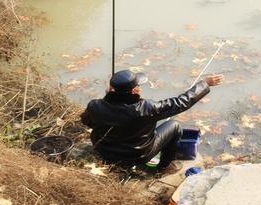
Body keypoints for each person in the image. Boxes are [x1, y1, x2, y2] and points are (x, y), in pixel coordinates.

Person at [80, 70, 224, 170]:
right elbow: (181, 103)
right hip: (138, 155)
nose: (139, 87)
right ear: (133, 91)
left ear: (111, 89)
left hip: (105, 151)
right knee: (174, 126)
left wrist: (107, 99)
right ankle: (164, 166)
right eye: (138, 86)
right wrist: (204, 83)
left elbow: (86, 121)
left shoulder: (95, 105)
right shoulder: (147, 108)